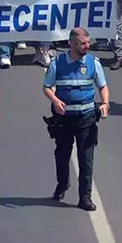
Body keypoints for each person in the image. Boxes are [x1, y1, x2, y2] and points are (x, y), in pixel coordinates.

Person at [42, 27, 108, 212]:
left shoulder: (93, 63)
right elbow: (47, 86)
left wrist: (105, 103)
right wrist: (55, 100)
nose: (87, 46)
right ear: (72, 44)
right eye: (83, 44)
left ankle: (85, 197)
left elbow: (103, 86)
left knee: (86, 157)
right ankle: (62, 183)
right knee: (62, 154)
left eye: (88, 43)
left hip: (86, 117)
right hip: (64, 118)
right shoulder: (57, 63)